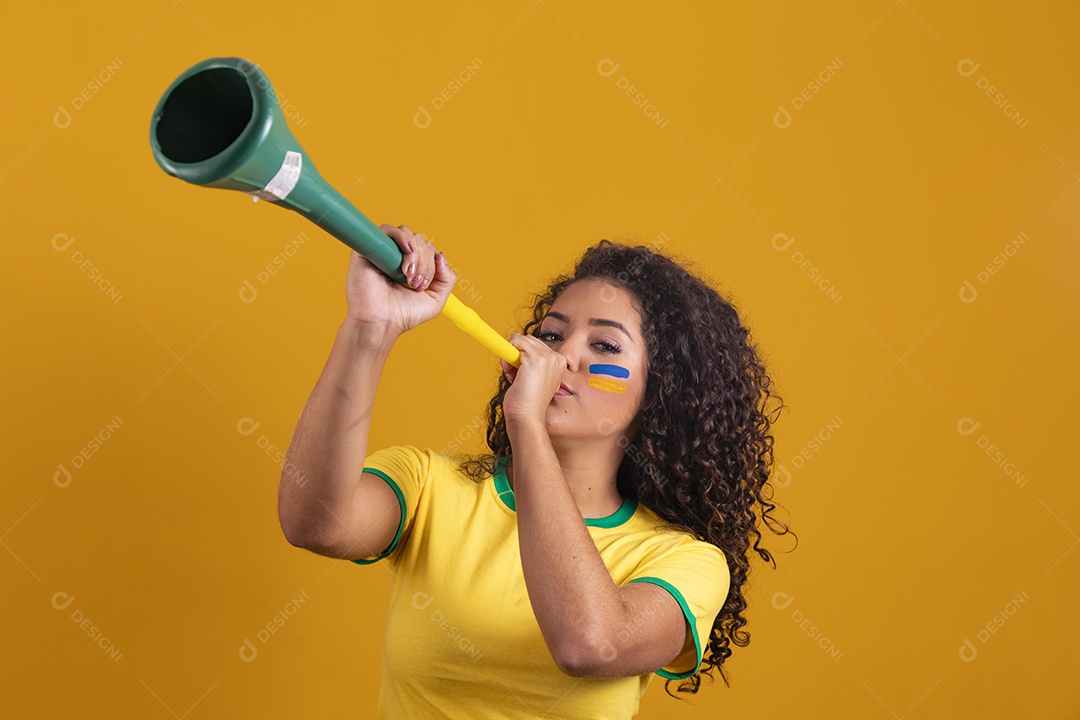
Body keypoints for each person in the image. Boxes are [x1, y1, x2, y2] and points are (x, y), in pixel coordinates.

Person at [278, 225, 794, 719]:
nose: (562, 355)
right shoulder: (431, 485)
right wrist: (370, 327)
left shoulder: (685, 561)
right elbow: (313, 523)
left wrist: (525, 420)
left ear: (664, 393)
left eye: (605, 346)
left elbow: (588, 643)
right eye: (552, 334)